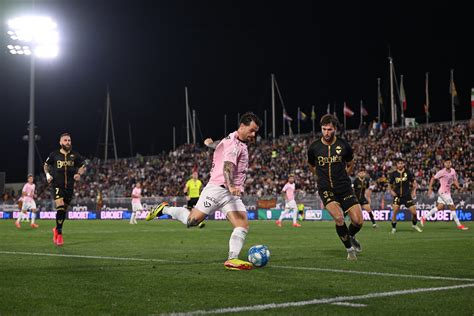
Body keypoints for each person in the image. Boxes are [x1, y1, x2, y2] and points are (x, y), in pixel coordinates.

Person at [146, 112, 262, 270]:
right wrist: (231, 186)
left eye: (256, 131)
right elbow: (227, 166)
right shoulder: (234, 145)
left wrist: (210, 144)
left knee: (242, 225)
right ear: (242, 126)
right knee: (192, 221)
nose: (254, 134)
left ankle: (232, 259)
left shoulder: (232, 140)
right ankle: (164, 209)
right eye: (252, 130)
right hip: (217, 189)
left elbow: (219, 144)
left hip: (230, 195)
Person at [307, 114, 363, 260]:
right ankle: (350, 250)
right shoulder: (314, 147)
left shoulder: (344, 145)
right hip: (326, 188)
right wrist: (320, 177)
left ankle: (350, 236)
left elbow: (351, 163)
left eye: (329, 129)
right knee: (339, 218)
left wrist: (345, 175)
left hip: (344, 187)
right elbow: (311, 165)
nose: (326, 132)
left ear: (335, 129)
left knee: (358, 221)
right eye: (324, 129)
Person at [44, 133, 86, 246]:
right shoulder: (54, 154)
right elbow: (46, 165)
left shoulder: (75, 155)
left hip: (69, 187)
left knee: (63, 212)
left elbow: (82, 166)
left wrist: (79, 174)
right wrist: (47, 174)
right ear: (60, 142)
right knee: (60, 208)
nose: (68, 142)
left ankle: (56, 229)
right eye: (65, 140)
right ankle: (60, 234)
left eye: (69, 140)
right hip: (57, 185)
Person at [421, 158, 468, 230]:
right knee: (452, 207)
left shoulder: (453, 171)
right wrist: (430, 189)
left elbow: (455, 180)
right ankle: (459, 225)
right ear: (444, 164)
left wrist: (458, 187)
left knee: (440, 207)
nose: (448, 164)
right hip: (443, 192)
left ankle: (424, 217)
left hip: (447, 192)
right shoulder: (441, 172)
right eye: (446, 163)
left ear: (451, 163)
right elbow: (432, 179)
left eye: (449, 162)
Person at [388, 158, 422, 233]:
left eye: (401, 163)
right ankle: (393, 228)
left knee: (414, 213)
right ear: (396, 165)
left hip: (407, 195)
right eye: (398, 163)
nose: (400, 165)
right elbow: (389, 184)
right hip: (397, 196)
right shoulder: (393, 174)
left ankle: (414, 225)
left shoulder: (408, 172)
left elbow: (414, 182)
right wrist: (391, 191)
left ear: (403, 164)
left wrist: (414, 191)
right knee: (394, 212)